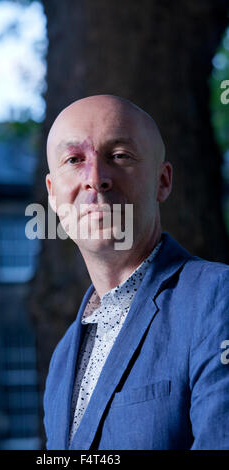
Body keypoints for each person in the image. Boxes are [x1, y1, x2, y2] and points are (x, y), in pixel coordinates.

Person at [43, 94, 229, 450]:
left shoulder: (217, 298)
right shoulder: (63, 358)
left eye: (119, 156)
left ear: (163, 181)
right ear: (53, 195)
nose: (95, 179)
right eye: (73, 160)